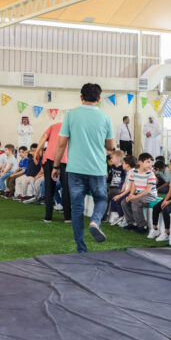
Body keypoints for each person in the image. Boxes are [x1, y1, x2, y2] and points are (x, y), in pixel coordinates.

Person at [52, 83, 113, 251]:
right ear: (99, 98)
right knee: (101, 199)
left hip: (75, 169)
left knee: (77, 208)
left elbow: (61, 144)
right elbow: (110, 146)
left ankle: (81, 248)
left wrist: (56, 166)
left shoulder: (71, 115)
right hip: (97, 169)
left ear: (81, 97)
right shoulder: (105, 117)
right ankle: (95, 221)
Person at [35, 122, 70, 223]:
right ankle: (68, 217)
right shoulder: (73, 127)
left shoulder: (54, 126)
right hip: (65, 159)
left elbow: (44, 137)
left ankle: (48, 217)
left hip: (50, 158)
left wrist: (37, 151)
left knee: (49, 188)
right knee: (66, 188)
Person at [120, 153, 158, 235]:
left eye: (151, 162)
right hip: (139, 193)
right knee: (124, 202)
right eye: (148, 162)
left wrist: (135, 197)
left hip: (150, 195)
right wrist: (131, 195)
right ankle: (132, 223)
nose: (150, 164)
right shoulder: (135, 172)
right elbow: (133, 186)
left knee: (136, 203)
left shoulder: (151, 174)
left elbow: (147, 190)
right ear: (140, 162)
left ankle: (142, 226)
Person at [152, 157, 171, 242]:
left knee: (166, 209)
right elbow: (170, 192)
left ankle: (167, 232)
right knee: (156, 207)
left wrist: (169, 202)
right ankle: (155, 229)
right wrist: (165, 201)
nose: (168, 166)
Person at [105, 150, 125, 223]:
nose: (111, 160)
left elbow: (124, 179)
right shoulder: (113, 166)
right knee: (105, 198)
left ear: (118, 160)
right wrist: (107, 179)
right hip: (112, 187)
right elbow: (110, 176)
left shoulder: (123, 168)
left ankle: (116, 217)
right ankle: (104, 216)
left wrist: (121, 187)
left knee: (115, 199)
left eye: (112, 158)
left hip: (118, 188)